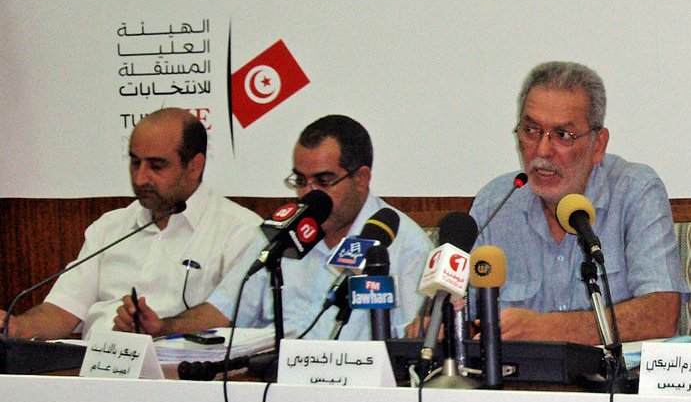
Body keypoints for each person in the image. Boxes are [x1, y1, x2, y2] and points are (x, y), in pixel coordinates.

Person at [115, 115, 433, 340]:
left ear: (361, 179)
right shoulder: (283, 232)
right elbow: (225, 310)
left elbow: (412, 342)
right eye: (300, 180)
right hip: (273, 388)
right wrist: (162, 327)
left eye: (323, 181)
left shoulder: (406, 245)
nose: (309, 194)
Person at [468, 61, 690, 344]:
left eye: (563, 135)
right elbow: (464, 310)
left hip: (612, 384)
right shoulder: (495, 202)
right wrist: (439, 325)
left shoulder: (635, 190)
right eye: (531, 131)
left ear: (598, 145)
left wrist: (547, 329)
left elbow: (660, 316)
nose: (542, 150)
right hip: (516, 383)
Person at [0, 108, 260, 340]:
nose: (140, 177)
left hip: (180, 379)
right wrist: (16, 327)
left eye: (157, 166)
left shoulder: (240, 231)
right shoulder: (109, 227)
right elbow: (61, 311)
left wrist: (160, 328)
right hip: (94, 369)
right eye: (135, 162)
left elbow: (227, 315)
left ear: (195, 166)